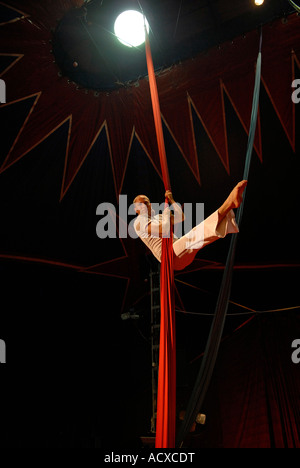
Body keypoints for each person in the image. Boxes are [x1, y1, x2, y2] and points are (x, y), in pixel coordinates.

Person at [133, 180, 247, 271]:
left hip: (179, 252)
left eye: (145, 203)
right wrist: (167, 211)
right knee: (196, 234)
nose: (143, 206)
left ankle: (227, 213)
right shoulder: (138, 222)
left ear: (150, 205)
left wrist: (172, 201)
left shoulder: (158, 218)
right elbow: (164, 229)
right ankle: (228, 204)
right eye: (139, 204)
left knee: (202, 235)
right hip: (169, 257)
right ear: (135, 209)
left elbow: (181, 217)